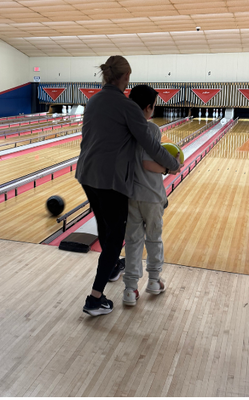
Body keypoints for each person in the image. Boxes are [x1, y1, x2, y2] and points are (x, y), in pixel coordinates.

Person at [75, 55, 179, 317]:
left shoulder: (94, 100)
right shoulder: (127, 106)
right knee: (115, 240)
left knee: (105, 227)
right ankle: (95, 299)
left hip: (87, 174)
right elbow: (150, 144)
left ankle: (111, 269)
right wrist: (173, 166)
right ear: (125, 78)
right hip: (111, 181)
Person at [122, 84, 170, 307]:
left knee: (132, 241)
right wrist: (167, 168)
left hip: (131, 195)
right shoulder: (151, 130)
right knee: (153, 239)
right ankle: (153, 280)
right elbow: (148, 163)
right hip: (152, 196)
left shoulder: (123, 129)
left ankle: (130, 289)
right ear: (149, 107)